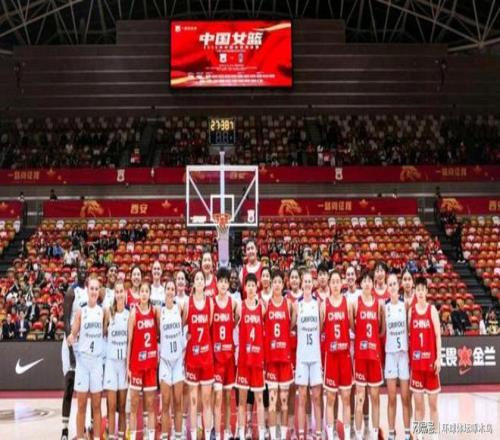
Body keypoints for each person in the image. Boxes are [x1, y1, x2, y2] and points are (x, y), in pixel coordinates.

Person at [67, 277, 104, 440]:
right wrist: (71, 337)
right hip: (83, 362)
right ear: (87, 290)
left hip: (96, 362)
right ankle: (81, 437)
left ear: (99, 291)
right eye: (92, 288)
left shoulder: (102, 312)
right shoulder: (81, 311)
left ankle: (96, 437)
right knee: (81, 404)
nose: (94, 291)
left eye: (96, 289)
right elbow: (74, 333)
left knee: (96, 405)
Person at [352, 270, 385, 440]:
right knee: (359, 397)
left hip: (374, 356)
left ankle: (374, 433)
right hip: (360, 356)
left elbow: (382, 329)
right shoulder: (355, 304)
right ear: (361, 284)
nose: (366, 283)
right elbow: (352, 326)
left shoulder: (379, 304)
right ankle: (359, 435)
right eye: (364, 280)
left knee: (375, 397)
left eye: (369, 280)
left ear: (372, 283)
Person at [408, 277, 441, 440]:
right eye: (418, 290)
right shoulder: (411, 312)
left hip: (430, 365)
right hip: (417, 366)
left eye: (423, 290)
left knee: (433, 405)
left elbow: (438, 335)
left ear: (426, 292)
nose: (420, 293)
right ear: (415, 292)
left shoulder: (432, 310)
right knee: (418, 405)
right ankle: (420, 435)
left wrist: (438, 358)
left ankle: (434, 435)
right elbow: (410, 335)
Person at [183, 270, 214, 440]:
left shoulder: (210, 303)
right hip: (192, 358)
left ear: (205, 282)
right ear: (194, 283)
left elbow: (209, 325)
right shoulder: (188, 303)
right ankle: (194, 436)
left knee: (206, 401)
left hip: (206, 356)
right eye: (197, 279)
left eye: (202, 278)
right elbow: (184, 326)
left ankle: (207, 436)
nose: (200, 281)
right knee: (193, 400)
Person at [323, 270, 353, 440]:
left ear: (341, 284)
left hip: (345, 356)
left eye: (337, 281)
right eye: (332, 281)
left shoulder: (347, 304)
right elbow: (321, 328)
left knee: (346, 397)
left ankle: (347, 435)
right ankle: (330, 434)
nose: (335, 284)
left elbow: (352, 326)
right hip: (331, 357)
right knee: (331, 397)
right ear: (329, 284)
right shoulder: (324, 304)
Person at [236, 273, 266, 440]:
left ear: (256, 288)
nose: (251, 288)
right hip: (243, 360)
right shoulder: (240, 307)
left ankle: (261, 434)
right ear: (245, 288)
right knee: (242, 400)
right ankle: (242, 433)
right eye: (249, 285)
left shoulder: (262, 307)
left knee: (259, 398)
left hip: (257, 359)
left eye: (254, 285)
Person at [266, 270, 295, 440]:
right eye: (274, 282)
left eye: (279, 282)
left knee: (284, 401)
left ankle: (283, 436)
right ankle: (272, 434)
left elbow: (292, 325)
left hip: (284, 359)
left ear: (283, 284)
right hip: (271, 359)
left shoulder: (289, 304)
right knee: (272, 401)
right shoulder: (265, 304)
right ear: (271, 284)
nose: (277, 285)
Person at [127, 282, 158, 440]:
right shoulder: (134, 312)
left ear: (150, 294)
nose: (144, 294)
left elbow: (159, 334)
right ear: (138, 294)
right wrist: (128, 366)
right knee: (134, 405)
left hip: (150, 365)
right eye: (142, 291)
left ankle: (150, 436)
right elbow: (130, 341)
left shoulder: (155, 311)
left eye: (147, 291)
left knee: (151, 406)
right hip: (137, 365)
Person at [60, 264, 88, 440]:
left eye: (85, 270)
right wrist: (70, 349)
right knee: (69, 386)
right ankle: (64, 430)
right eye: (81, 270)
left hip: (83, 345)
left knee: (83, 389)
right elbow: (65, 321)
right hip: (71, 343)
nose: (83, 272)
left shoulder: (89, 291)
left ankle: (82, 426)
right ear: (77, 272)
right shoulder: (71, 292)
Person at [294, 271, 322, 440]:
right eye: (304, 281)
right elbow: (292, 325)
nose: (306, 284)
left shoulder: (318, 304)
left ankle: (317, 433)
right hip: (302, 357)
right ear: (301, 283)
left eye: (309, 281)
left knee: (317, 397)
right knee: (302, 397)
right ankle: (301, 434)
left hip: (315, 356)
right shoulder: (297, 305)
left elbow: (322, 326)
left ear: (312, 284)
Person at [212, 268, 238, 440]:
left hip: (229, 355)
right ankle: (216, 430)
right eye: (220, 281)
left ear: (229, 284)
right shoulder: (211, 303)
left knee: (228, 397)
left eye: (225, 282)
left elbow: (236, 321)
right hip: (216, 357)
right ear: (217, 283)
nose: (223, 284)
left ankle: (227, 430)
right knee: (218, 396)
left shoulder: (234, 303)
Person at [384, 274, 411, 440]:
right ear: (387, 288)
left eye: (395, 283)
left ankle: (407, 433)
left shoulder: (405, 304)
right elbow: (381, 330)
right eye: (390, 284)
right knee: (392, 398)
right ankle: (391, 433)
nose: (393, 287)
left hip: (403, 355)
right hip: (390, 355)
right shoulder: (384, 307)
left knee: (405, 398)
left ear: (398, 285)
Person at [158, 280, 184, 440]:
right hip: (165, 361)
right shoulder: (159, 312)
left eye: (172, 289)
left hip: (178, 360)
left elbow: (185, 328)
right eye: (168, 288)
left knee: (178, 402)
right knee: (166, 403)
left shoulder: (179, 308)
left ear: (175, 292)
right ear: (164, 291)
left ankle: (178, 435)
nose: (170, 291)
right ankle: (165, 435)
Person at [103, 281, 129, 440]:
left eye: (121, 291)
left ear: (125, 294)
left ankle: (121, 436)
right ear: (114, 294)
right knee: (111, 406)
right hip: (111, 364)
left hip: (123, 364)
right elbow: (103, 333)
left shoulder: (129, 314)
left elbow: (131, 341)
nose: (119, 294)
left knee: (122, 406)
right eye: (117, 292)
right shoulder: (108, 313)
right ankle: (112, 436)